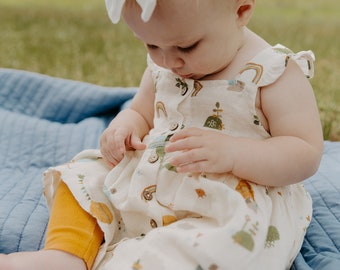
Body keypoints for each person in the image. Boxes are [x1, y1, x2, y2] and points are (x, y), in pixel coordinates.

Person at [0, 0, 324, 269]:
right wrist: (126, 124)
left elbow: (304, 151)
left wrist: (235, 153)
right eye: (151, 44)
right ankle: (65, 254)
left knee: (213, 247)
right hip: (152, 178)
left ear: (241, 10)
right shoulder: (165, 64)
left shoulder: (273, 73)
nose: (170, 61)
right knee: (84, 176)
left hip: (225, 201)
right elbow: (142, 111)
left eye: (187, 46)